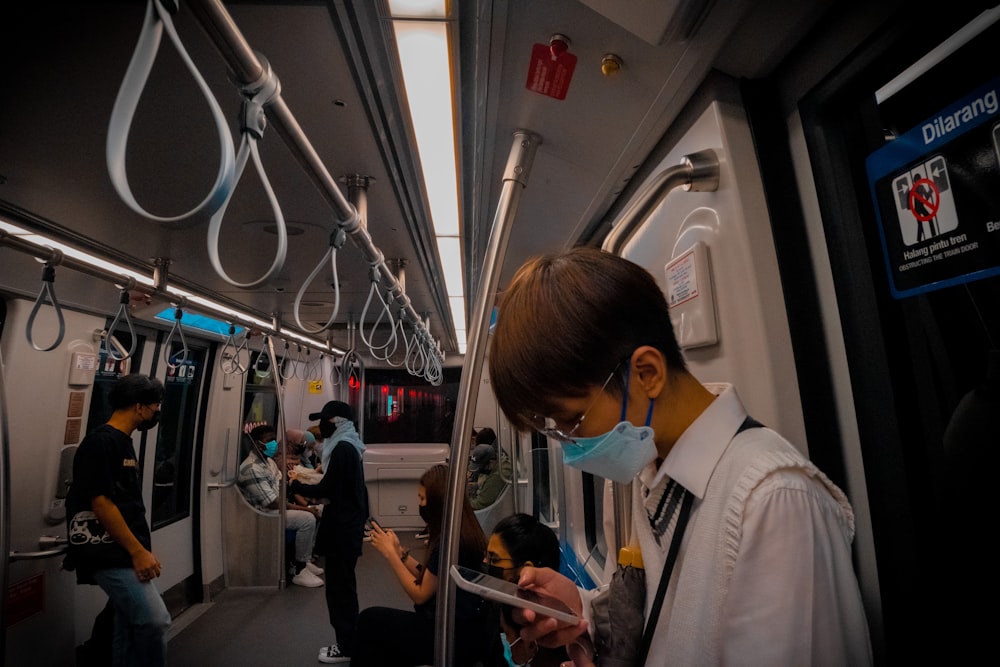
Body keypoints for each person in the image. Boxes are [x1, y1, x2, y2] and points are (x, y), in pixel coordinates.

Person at [488, 247, 872, 666]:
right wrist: (581, 610)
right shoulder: (653, 471)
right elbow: (665, 620)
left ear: (646, 373)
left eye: (572, 420)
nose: (568, 443)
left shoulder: (775, 503)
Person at [64, 373, 171, 666]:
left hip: (125, 550)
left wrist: (142, 548)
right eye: (155, 406)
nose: (156, 412)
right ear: (139, 407)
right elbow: (102, 503)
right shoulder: (101, 443)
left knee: (125, 628)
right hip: (109, 553)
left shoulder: (123, 442)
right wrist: (138, 552)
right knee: (155, 621)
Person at [354, 464, 501, 666]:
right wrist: (401, 554)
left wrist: (391, 556)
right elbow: (433, 577)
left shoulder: (450, 541)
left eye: (422, 499)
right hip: (463, 627)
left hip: (452, 634)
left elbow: (421, 594)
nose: (420, 504)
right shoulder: (460, 530)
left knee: (369, 622)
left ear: (437, 501)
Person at [289, 400, 368, 664]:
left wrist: (295, 486)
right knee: (343, 587)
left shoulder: (343, 450)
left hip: (342, 530)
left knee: (339, 590)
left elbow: (328, 489)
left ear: (337, 423)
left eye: (326, 421)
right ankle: (350, 640)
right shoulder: (348, 446)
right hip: (346, 526)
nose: (323, 426)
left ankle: (346, 646)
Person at [237, 424, 324, 587]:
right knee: (307, 518)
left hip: (275, 507)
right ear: (256, 443)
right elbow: (272, 503)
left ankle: (303, 560)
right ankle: (299, 570)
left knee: (314, 511)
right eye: (268, 441)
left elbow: (283, 486)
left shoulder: (268, 462)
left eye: (273, 440)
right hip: (262, 514)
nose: (274, 445)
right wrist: (306, 508)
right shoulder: (252, 468)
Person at [486, 513, 568, 667]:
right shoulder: (498, 607)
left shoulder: (552, 636)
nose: (486, 563)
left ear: (526, 571)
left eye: (494, 559)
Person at [468, 443, 505, 510]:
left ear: (491, 462)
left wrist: (463, 499)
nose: (480, 472)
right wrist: (475, 486)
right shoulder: (498, 462)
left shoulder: (497, 476)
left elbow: (477, 505)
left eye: (481, 468)